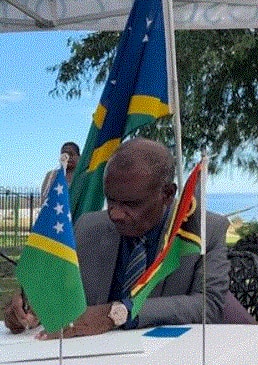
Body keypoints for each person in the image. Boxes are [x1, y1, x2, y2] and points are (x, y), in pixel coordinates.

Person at [5, 138, 231, 338]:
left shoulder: (203, 231)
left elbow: (207, 305)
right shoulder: (88, 226)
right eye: (110, 200)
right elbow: (59, 286)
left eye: (130, 204)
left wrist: (118, 312)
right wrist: (31, 305)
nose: (115, 213)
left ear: (167, 194)